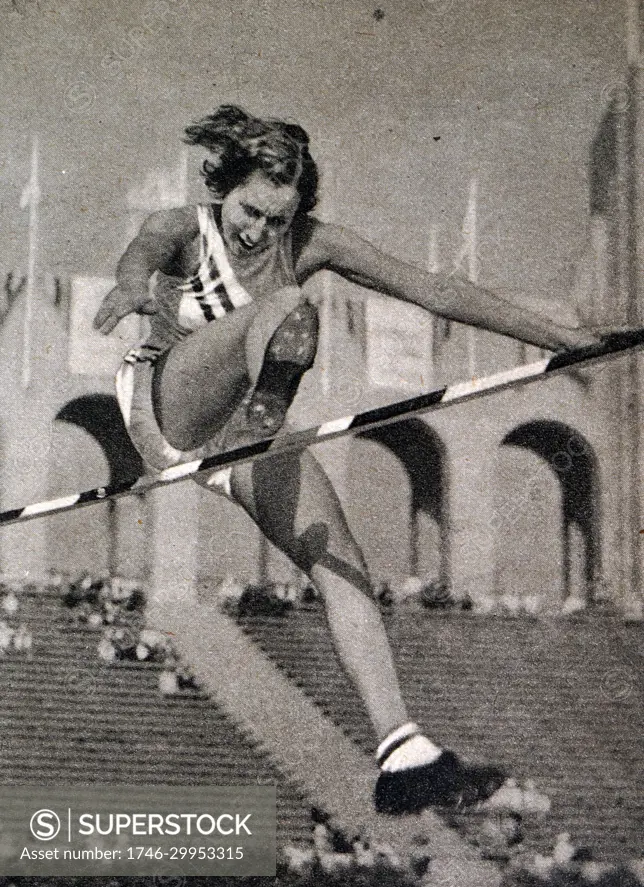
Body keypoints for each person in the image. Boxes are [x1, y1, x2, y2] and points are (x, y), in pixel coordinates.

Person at [94, 105, 596, 816]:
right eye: (250, 211)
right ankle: (271, 399)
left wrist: (560, 338)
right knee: (286, 308)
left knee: (341, 559)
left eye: (278, 219)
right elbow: (144, 247)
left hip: (244, 434)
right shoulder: (188, 227)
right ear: (224, 187)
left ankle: (401, 751)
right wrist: (129, 283)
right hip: (167, 401)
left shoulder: (312, 241)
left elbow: (437, 291)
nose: (259, 232)